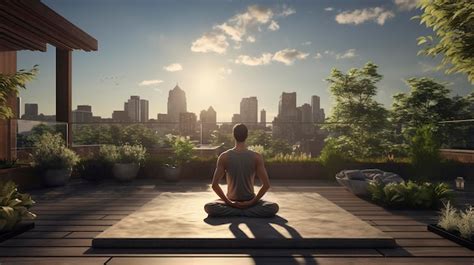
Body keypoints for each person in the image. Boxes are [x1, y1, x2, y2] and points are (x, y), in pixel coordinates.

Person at [204, 123, 279, 218]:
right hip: (249, 202)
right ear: (247, 136)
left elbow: (215, 185)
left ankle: (236, 212)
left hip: (233, 202)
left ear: (233, 135)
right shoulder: (256, 157)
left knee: (209, 207)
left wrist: (229, 203)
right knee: (272, 207)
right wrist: (251, 203)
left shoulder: (224, 156)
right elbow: (266, 185)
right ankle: (246, 212)